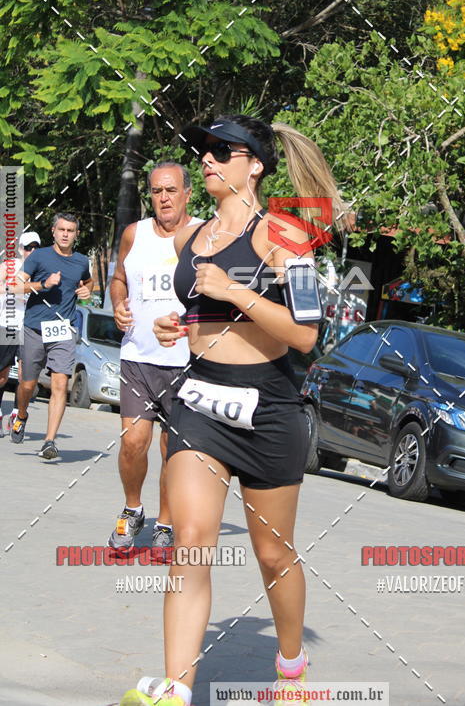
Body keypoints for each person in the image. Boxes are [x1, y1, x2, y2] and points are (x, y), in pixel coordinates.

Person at [117, 115, 345, 706]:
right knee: (191, 539)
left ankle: (290, 666)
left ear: (256, 165)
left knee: (272, 552)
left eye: (223, 150)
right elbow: (210, 316)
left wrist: (233, 291)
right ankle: (175, 689)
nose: (208, 160)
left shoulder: (285, 235)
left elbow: (304, 335)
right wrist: (182, 323)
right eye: (204, 151)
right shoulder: (191, 240)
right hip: (199, 403)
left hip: (268, 409)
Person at [108, 162, 201, 552]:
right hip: (138, 358)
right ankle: (132, 510)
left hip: (185, 363)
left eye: (171, 190)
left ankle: (165, 523)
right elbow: (118, 279)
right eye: (157, 191)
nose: (164, 198)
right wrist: (116, 303)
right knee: (133, 441)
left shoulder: (203, 235)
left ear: (187, 194)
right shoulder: (135, 234)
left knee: (171, 451)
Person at [11, 214, 92, 458]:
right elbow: (14, 286)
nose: (66, 234)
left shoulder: (81, 260)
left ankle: (49, 441)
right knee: (28, 385)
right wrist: (43, 284)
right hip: (34, 328)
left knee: (60, 384)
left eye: (71, 230)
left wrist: (87, 288)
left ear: (76, 234)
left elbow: (88, 280)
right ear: (53, 231)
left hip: (63, 331)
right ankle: (22, 414)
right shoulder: (39, 256)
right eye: (62, 229)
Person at [0, 232, 41, 436]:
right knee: (2, 375)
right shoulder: (9, 266)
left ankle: (17, 415)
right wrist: (15, 288)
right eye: (27, 248)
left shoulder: (43, 268)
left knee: (27, 377)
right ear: (20, 249)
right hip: (7, 325)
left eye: (35, 248)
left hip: (30, 327)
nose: (31, 252)